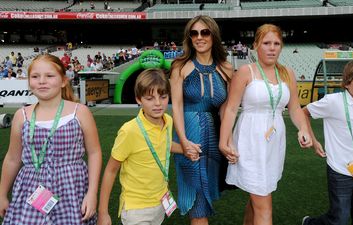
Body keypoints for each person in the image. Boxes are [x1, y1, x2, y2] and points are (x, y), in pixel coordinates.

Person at [219, 24, 312, 225]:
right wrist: (223, 141)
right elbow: (231, 109)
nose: (272, 48)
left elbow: (295, 108)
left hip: (274, 143)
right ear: (256, 46)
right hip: (249, 141)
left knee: (259, 196)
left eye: (276, 43)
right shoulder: (245, 72)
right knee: (264, 204)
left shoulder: (288, 73)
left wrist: (303, 129)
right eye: (266, 43)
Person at [0, 54, 102, 224]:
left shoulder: (80, 112)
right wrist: (2, 194)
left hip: (71, 187)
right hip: (31, 189)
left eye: (49, 76)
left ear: (63, 81)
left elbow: (94, 153)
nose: (41, 81)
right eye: (35, 76)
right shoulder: (21, 115)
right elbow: (12, 158)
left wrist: (92, 193)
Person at [169, 15, 233, 225]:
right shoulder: (180, 66)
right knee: (196, 197)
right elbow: (176, 106)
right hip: (189, 133)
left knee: (207, 193)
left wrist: (227, 141)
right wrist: (183, 141)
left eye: (204, 32)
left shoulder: (226, 68)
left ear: (213, 35)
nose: (199, 37)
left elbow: (227, 110)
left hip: (214, 139)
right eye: (194, 33)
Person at [98, 68, 181, 225]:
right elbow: (110, 170)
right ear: (138, 99)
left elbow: (164, 145)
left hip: (160, 203)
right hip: (135, 209)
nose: (158, 103)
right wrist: (103, 212)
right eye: (150, 98)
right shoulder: (129, 130)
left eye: (163, 97)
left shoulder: (168, 120)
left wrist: (186, 149)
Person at [302, 60, 353, 225]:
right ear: (347, 84)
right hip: (339, 169)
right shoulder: (333, 101)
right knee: (339, 220)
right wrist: (314, 141)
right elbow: (304, 113)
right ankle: (310, 223)